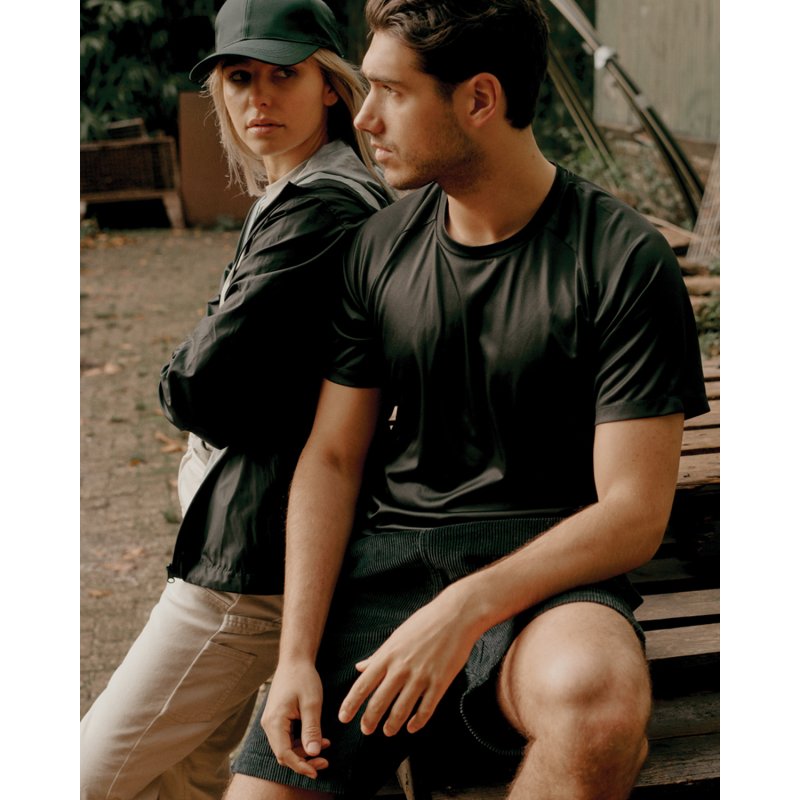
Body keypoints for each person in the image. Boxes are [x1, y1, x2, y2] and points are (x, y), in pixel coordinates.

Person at [225, 0, 710, 798]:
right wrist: (297, 656)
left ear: (480, 99)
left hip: (549, 578)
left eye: (392, 92)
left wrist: (465, 607)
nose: (365, 118)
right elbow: (334, 456)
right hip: (388, 571)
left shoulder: (621, 258)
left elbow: (633, 512)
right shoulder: (377, 249)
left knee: (597, 708)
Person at [79, 1, 392, 798]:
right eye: (239, 77)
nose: (259, 97)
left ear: (330, 84)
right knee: (185, 780)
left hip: (248, 569)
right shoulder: (298, 190)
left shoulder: (324, 206)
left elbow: (197, 385)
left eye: (284, 74)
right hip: (249, 540)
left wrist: (194, 368)